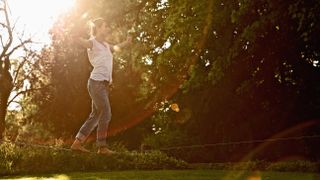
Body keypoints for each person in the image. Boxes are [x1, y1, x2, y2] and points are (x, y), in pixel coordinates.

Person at [71, 18, 132, 154]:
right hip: (96, 82)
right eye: (105, 26)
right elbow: (82, 42)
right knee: (106, 112)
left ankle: (77, 143)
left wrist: (127, 43)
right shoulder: (92, 42)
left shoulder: (105, 45)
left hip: (103, 85)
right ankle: (102, 147)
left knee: (96, 116)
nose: (108, 29)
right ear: (98, 28)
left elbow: (116, 47)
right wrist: (75, 35)